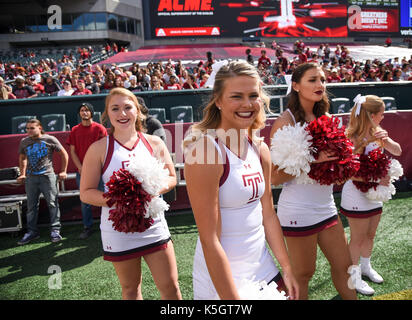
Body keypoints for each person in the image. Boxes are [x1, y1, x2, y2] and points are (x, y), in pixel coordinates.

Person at [184, 60, 298, 300]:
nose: (247, 104)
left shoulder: (259, 148)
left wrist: (286, 268)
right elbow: (209, 239)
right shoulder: (204, 152)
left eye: (253, 95)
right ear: (218, 100)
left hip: (263, 266)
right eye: (236, 96)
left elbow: (268, 213)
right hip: (222, 277)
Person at [79, 88, 181, 300]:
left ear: (138, 111)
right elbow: (86, 193)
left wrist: (149, 191)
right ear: (107, 114)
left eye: (128, 107)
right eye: (115, 109)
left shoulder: (154, 142)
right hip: (118, 229)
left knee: (170, 287)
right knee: (130, 289)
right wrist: (121, 199)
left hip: (153, 224)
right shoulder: (98, 148)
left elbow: (172, 177)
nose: (122, 114)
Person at [270, 62, 357, 300]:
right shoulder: (285, 122)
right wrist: (312, 159)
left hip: (326, 206)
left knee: (346, 266)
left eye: (322, 79)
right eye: (312, 80)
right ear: (296, 86)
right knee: (304, 273)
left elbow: (336, 165)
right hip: (298, 210)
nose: (320, 85)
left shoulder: (326, 117)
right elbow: (274, 176)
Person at [340, 95, 402, 295]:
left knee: (370, 234)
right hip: (356, 194)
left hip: (374, 194)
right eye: (381, 114)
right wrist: (367, 141)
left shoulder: (378, 132)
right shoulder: (351, 135)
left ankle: (366, 267)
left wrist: (386, 140)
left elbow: (398, 151)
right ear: (372, 115)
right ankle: (353, 277)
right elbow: (348, 171)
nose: (383, 117)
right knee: (357, 239)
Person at [17, 119, 68, 245]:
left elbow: (64, 154)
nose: (29, 130)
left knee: (52, 203)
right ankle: (32, 232)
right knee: (31, 207)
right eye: (27, 128)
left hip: (48, 177)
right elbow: (22, 157)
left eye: (32, 128)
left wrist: (63, 171)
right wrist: (22, 174)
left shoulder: (50, 139)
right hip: (31, 178)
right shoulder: (24, 142)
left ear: (40, 127)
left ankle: (55, 230)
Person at [66, 102, 107, 239]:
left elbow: (104, 149)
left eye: (87, 110)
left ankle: (108, 225)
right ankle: (87, 227)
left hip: (100, 171)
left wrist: (97, 167)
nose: (84, 113)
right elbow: (72, 151)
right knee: (85, 201)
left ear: (91, 113)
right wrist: (81, 167)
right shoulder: (75, 130)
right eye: (82, 110)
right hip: (82, 172)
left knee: (105, 198)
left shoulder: (99, 128)